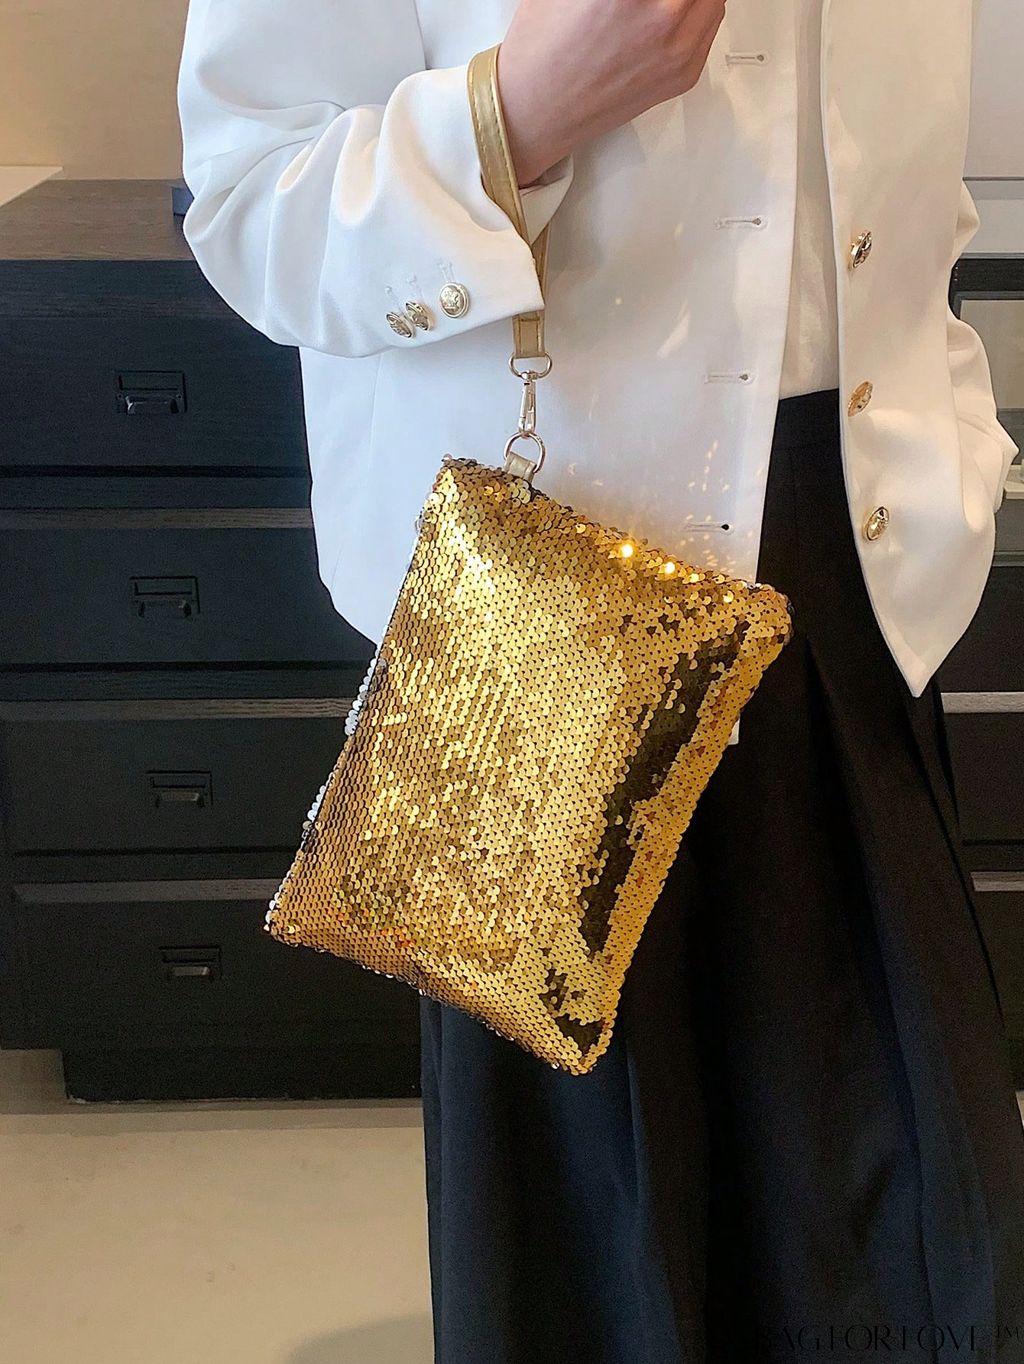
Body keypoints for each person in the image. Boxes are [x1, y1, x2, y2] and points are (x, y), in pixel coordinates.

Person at [177, 1, 1024, 1359]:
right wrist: (512, 119)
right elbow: (250, 206)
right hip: (546, 635)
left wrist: (958, 437)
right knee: (591, 1263)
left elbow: (902, 192)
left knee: (924, 1234)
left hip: (857, 583)